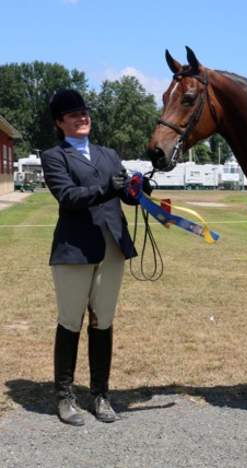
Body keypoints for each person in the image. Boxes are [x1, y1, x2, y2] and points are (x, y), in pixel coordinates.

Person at [41, 88, 148, 426]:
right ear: (60, 122)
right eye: (73, 114)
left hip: (112, 247)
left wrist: (138, 189)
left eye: (84, 112)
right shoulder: (54, 156)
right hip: (75, 250)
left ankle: (101, 395)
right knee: (71, 320)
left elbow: (126, 195)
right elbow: (68, 195)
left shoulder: (108, 154)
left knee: (103, 320)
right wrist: (108, 187)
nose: (82, 117)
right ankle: (64, 397)